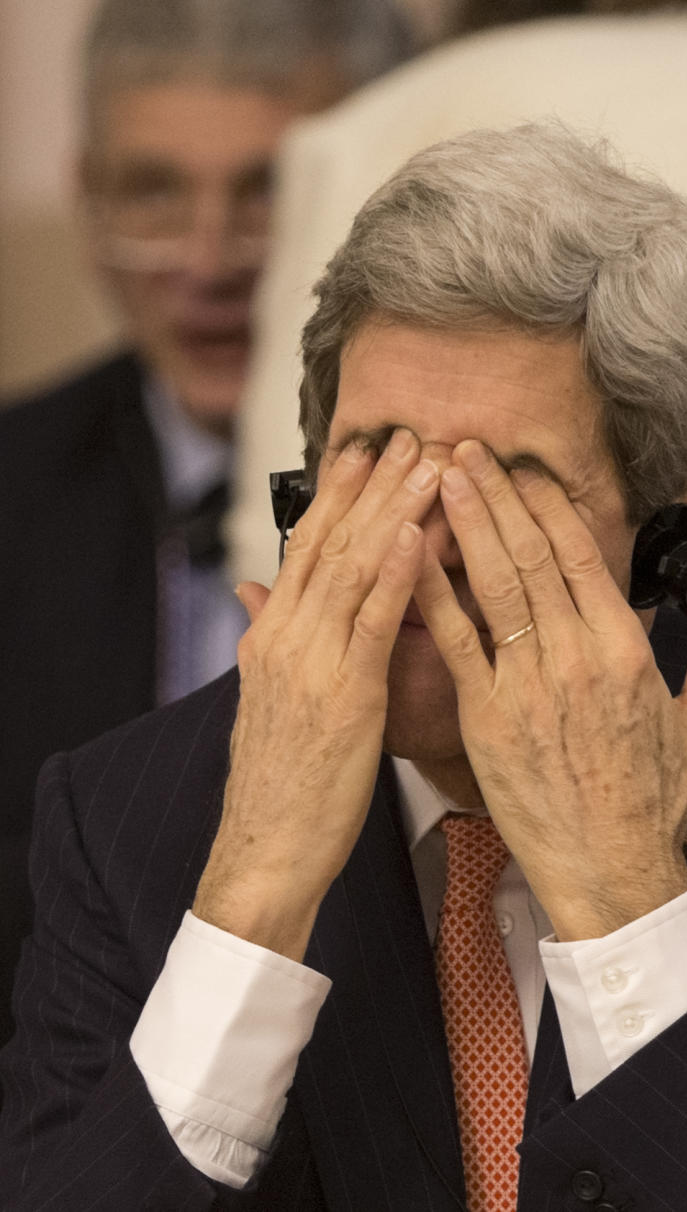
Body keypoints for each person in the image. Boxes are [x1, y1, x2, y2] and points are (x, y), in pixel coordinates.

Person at [1, 123, 687, 1210]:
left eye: (505, 483)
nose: (421, 540)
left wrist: (626, 908)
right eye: (377, 460)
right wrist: (251, 903)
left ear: (667, 529)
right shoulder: (124, 815)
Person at [0, 0, 412, 1052]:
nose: (210, 258)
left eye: (268, 191)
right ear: (86, 196)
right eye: (152, 193)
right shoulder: (16, 482)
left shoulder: (473, 491)